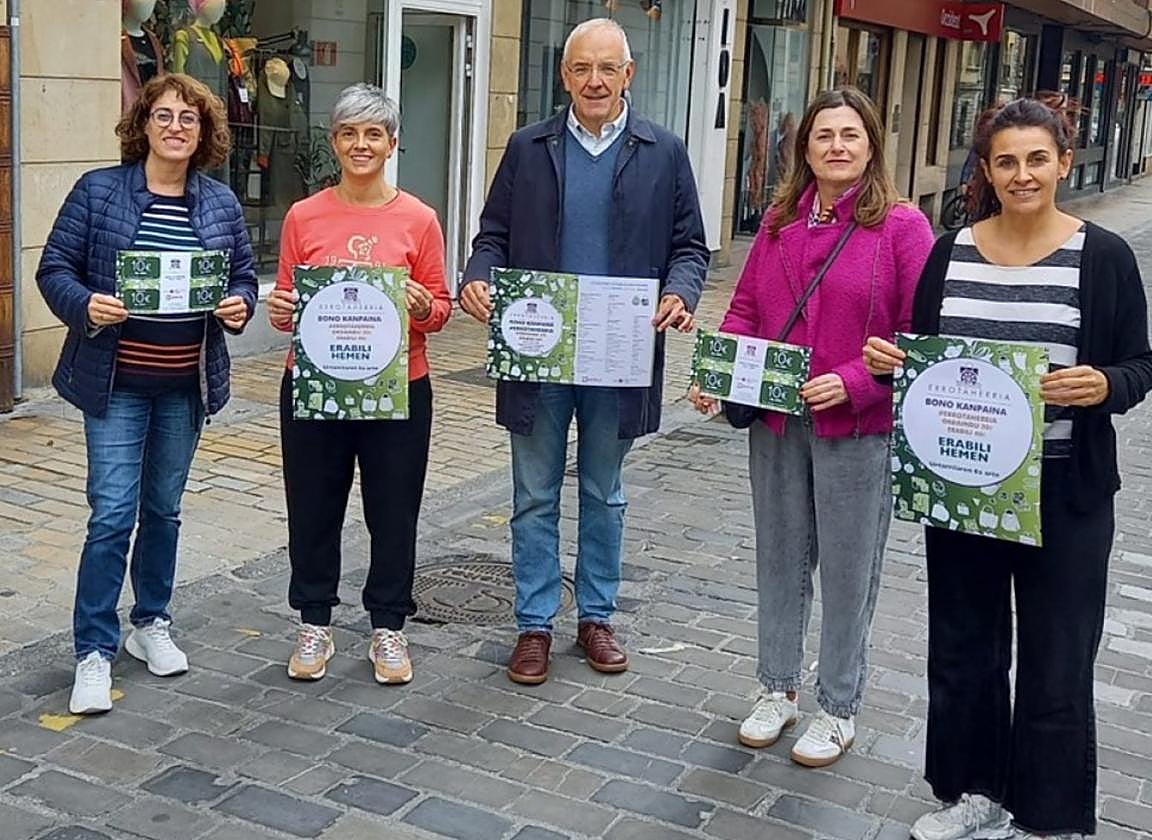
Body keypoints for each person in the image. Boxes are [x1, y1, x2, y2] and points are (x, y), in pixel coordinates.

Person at [863, 93, 1152, 840]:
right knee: (965, 647)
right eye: (1006, 162)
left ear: (1062, 162)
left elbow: (1139, 365)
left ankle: (1049, 816)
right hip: (964, 484)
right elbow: (923, 359)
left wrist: (1105, 385)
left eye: (1036, 159)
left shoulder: (1104, 257)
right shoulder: (949, 250)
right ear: (987, 171)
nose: (1022, 174)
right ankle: (973, 791)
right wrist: (892, 363)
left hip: (1065, 491)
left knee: (1059, 658)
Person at [689, 87, 934, 767]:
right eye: (823, 135)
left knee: (850, 573)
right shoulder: (777, 224)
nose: (836, 147)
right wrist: (719, 373)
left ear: (871, 145)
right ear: (805, 148)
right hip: (777, 422)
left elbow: (922, 337)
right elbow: (743, 311)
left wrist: (856, 381)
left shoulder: (903, 228)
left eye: (850, 135)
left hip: (856, 429)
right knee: (780, 560)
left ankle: (838, 705)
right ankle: (777, 688)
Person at [460, 18, 708, 686]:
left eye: (607, 69)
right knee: (534, 495)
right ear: (563, 75)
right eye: (580, 69)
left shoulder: (664, 151)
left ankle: (596, 616)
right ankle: (534, 623)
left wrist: (681, 293)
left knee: (604, 492)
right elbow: (493, 236)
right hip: (539, 353)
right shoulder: (527, 146)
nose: (594, 81)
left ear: (629, 74)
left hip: (619, 353)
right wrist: (478, 278)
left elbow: (690, 245)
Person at [36, 73, 257, 715]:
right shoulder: (99, 191)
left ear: (204, 130)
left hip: (184, 386)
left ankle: (150, 622)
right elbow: (54, 269)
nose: (176, 128)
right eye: (164, 116)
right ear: (144, 125)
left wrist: (241, 305)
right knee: (111, 515)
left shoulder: (219, 203)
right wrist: (86, 306)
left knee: (163, 510)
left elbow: (242, 277)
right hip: (116, 384)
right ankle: (93, 652)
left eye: (189, 119)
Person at [265, 83, 451, 685]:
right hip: (315, 387)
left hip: (399, 389)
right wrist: (281, 312)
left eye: (373, 134)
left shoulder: (419, 219)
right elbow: (290, 300)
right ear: (334, 142)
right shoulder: (303, 215)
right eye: (349, 133)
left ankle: (388, 627)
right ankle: (313, 621)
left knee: (393, 511)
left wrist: (422, 307)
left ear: (392, 144)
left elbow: (440, 311)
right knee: (313, 507)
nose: (361, 144)